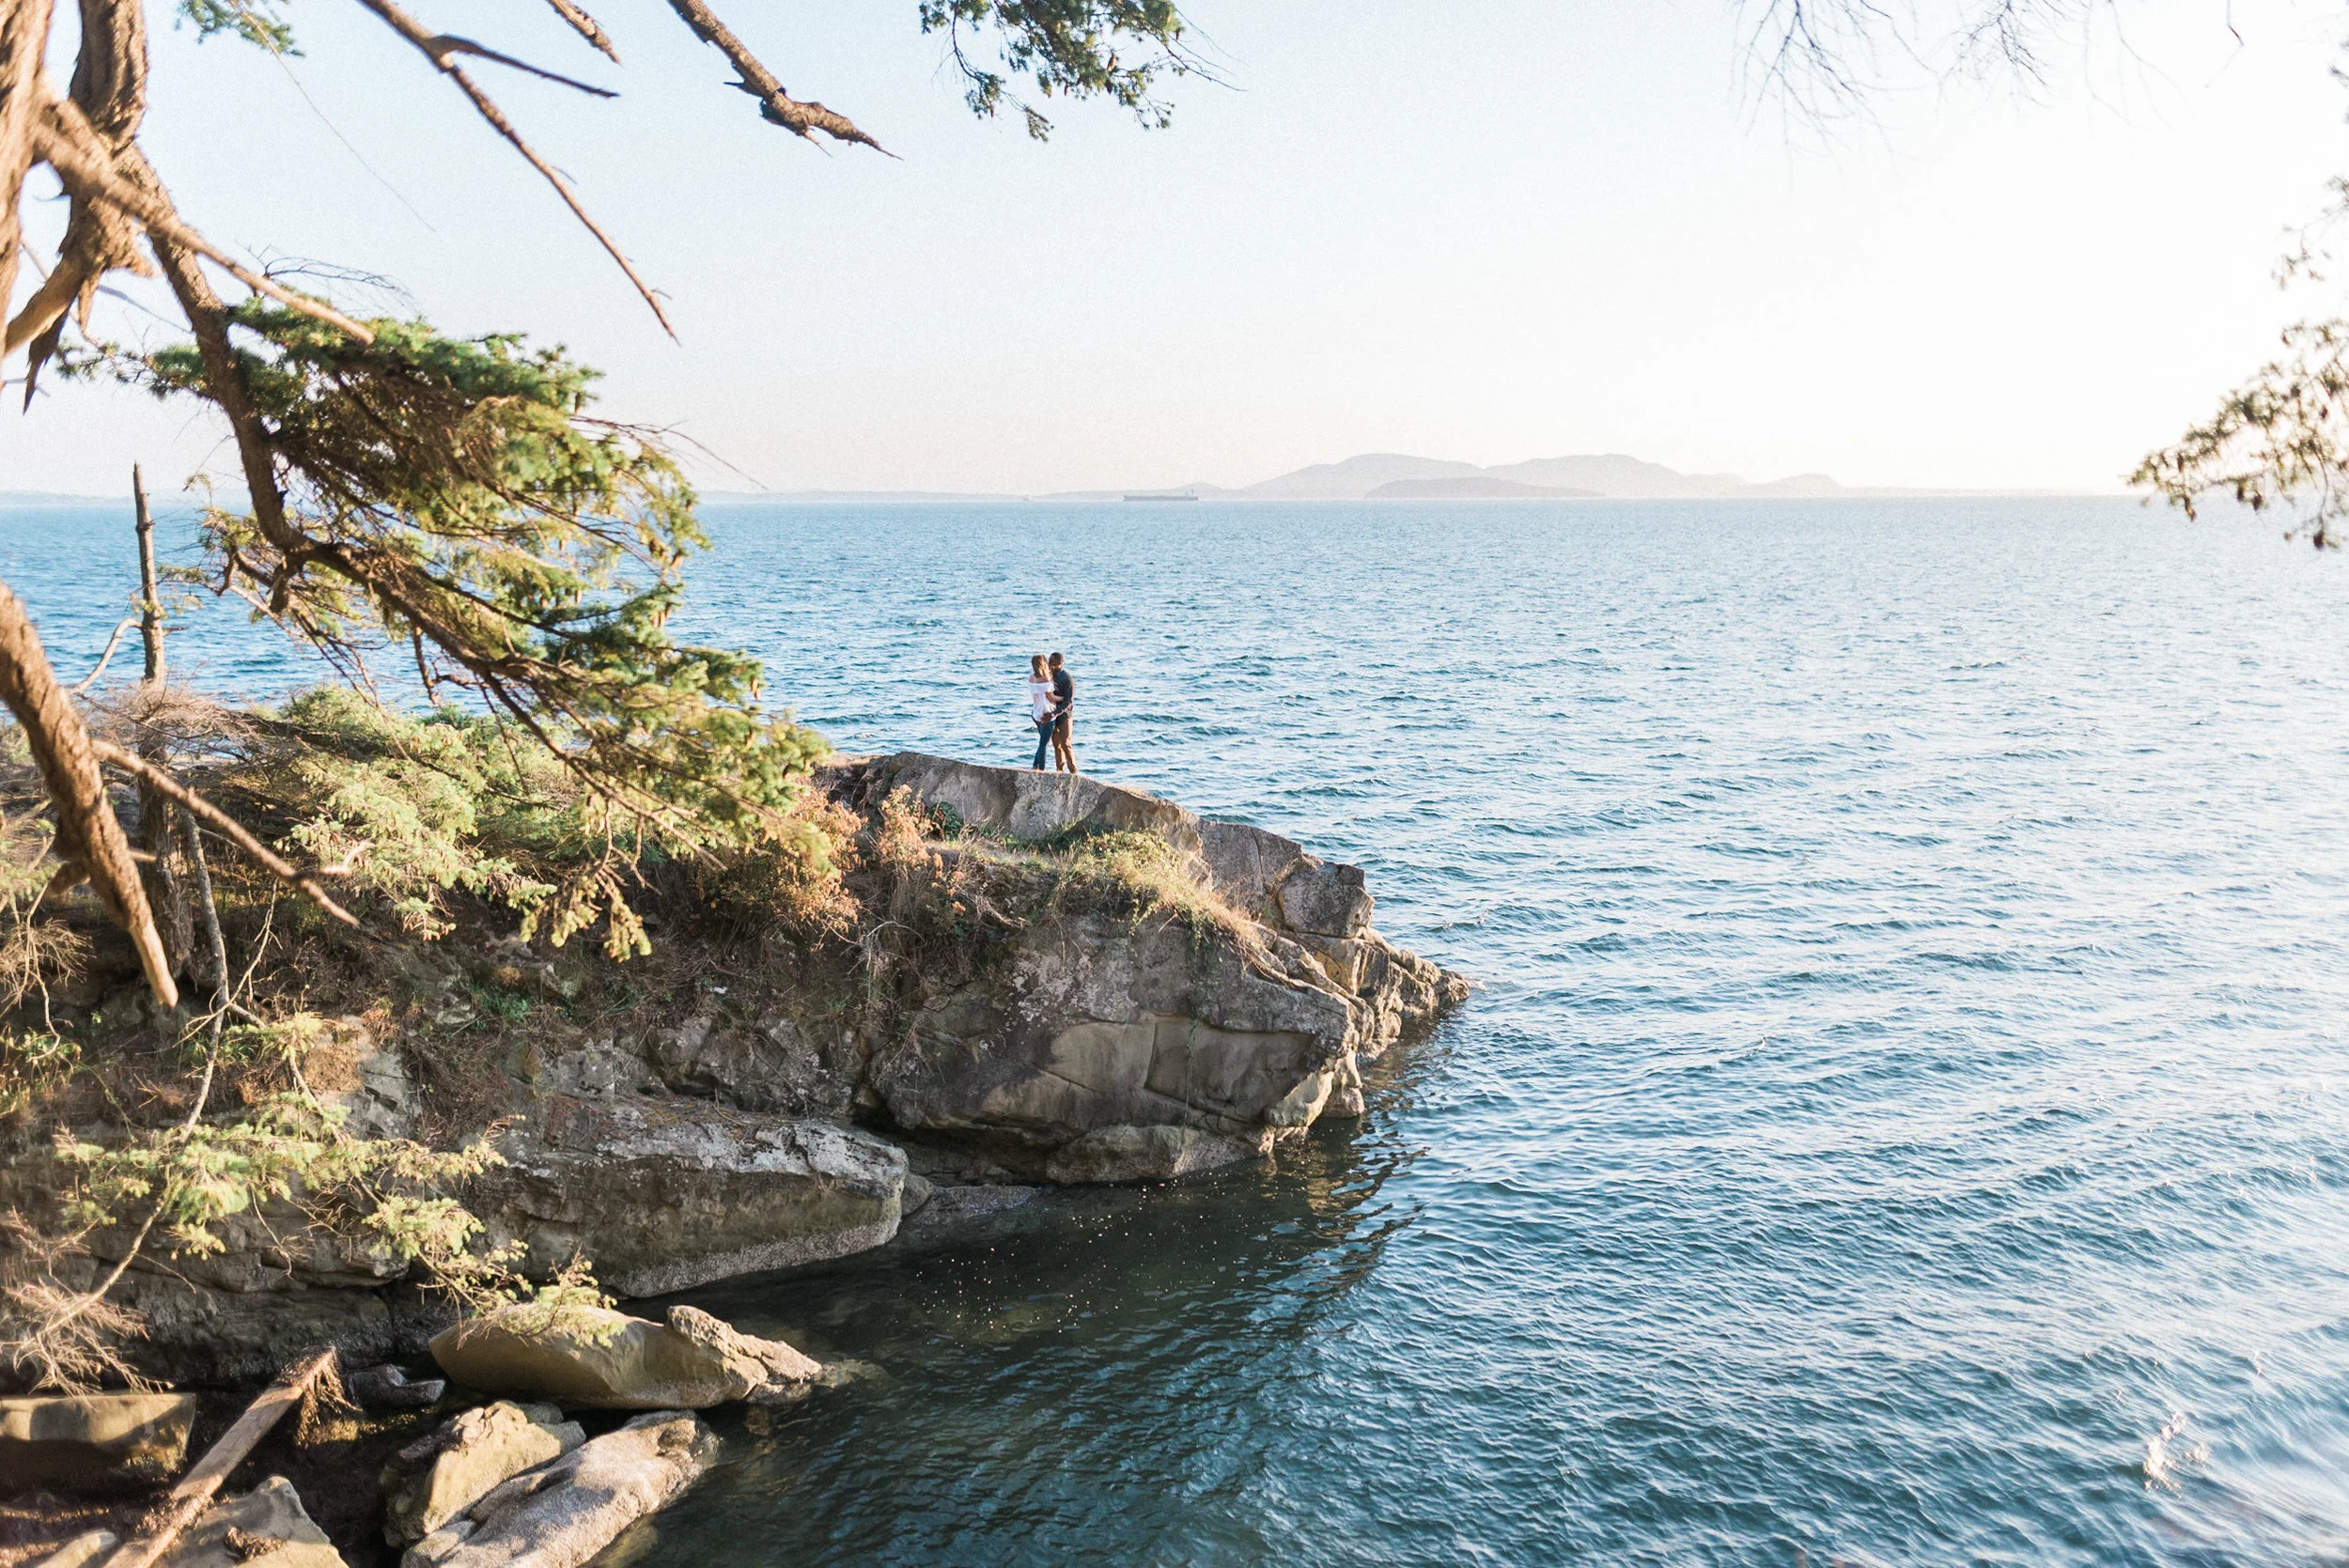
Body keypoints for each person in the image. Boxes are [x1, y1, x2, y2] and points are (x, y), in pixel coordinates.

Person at [1048, 651, 1078, 774]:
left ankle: (1073, 771)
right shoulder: (1050, 677)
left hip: (1065, 716)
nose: (1049, 664)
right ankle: (1059, 771)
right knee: (1056, 745)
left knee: (1066, 743)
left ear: (1059, 663)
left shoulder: (1067, 679)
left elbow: (1068, 702)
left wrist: (1056, 712)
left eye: (1052, 662)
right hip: (1053, 715)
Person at [1026, 653, 1056, 770]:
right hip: (1046, 712)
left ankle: (1035, 766)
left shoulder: (1031, 678)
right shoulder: (1046, 679)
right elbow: (1051, 697)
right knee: (1044, 743)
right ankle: (1041, 769)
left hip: (1036, 712)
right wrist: (1064, 698)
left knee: (1042, 741)